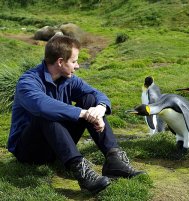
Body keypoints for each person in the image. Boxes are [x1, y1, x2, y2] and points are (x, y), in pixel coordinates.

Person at [7, 35, 145, 194]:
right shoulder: (27, 82)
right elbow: (42, 106)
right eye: (73, 61)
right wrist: (85, 114)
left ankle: (114, 159)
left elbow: (96, 93)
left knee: (90, 99)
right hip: (29, 151)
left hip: (56, 145)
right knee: (46, 114)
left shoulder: (68, 79)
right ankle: (81, 171)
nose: (78, 66)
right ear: (60, 62)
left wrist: (98, 109)